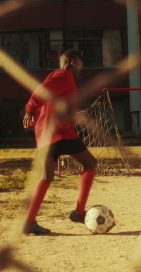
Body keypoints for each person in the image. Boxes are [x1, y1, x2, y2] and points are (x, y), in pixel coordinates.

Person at [21, 49, 97, 235]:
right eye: (81, 66)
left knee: (47, 176)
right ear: (72, 63)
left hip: (45, 135)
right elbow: (42, 92)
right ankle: (79, 213)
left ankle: (29, 222)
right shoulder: (64, 75)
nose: (82, 70)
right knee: (90, 163)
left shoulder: (58, 78)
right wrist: (30, 108)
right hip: (60, 133)